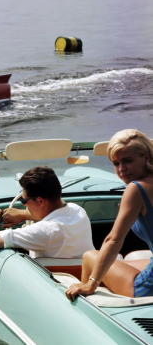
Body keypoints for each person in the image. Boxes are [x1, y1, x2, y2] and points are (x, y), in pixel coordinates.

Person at [66, 129, 153, 301]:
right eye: (116, 163)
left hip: (149, 290)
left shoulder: (136, 188)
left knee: (90, 257)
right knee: (127, 262)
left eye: (127, 161)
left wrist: (92, 283)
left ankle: (86, 308)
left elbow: (113, 241)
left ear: (146, 158)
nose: (121, 169)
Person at [0, 166, 94, 258]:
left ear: (40, 201)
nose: (24, 205)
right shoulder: (78, 210)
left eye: (24, 200)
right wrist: (22, 214)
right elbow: (54, 216)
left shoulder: (44, 232)